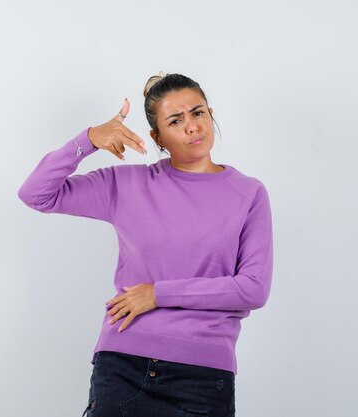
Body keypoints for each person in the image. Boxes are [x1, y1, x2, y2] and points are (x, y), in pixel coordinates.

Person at [17, 72, 274, 417]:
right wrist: (89, 139)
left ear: (211, 115)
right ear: (158, 137)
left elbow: (253, 289)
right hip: (124, 366)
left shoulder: (248, 193)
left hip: (202, 377)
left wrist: (157, 294)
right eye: (176, 120)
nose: (192, 126)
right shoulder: (128, 185)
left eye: (198, 113)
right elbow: (36, 194)